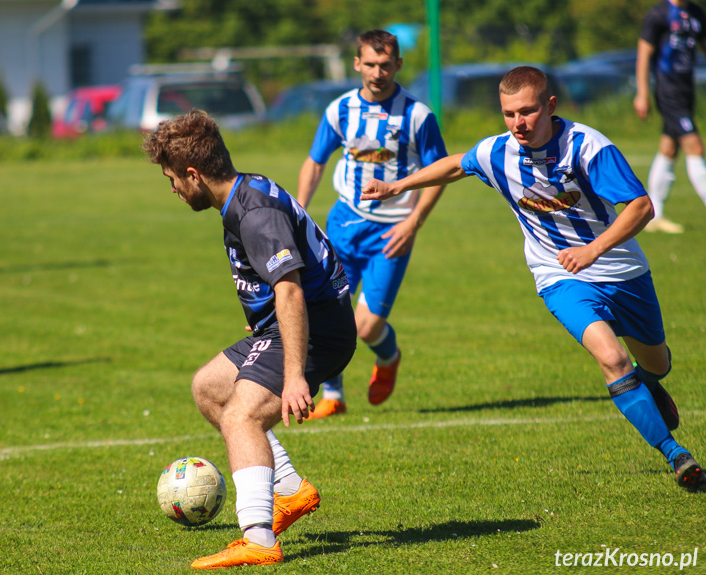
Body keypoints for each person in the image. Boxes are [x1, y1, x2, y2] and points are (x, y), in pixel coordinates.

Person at [361, 66, 704, 493]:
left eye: (527, 112)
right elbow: (455, 165)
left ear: (550, 106)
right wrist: (397, 187)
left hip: (622, 271)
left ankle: (650, 384)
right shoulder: (497, 152)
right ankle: (677, 456)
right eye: (508, 114)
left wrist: (593, 250)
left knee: (658, 364)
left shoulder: (587, 146)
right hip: (558, 276)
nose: (518, 123)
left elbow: (640, 207)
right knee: (612, 360)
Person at [143, 110, 356, 568]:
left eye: (173, 179)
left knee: (241, 415)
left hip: (314, 329)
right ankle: (290, 490)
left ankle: (258, 538)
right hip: (288, 322)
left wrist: (295, 375)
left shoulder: (256, 214)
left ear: (194, 174)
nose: (174, 190)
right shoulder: (244, 191)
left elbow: (292, 289)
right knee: (210, 387)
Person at [296, 29, 447, 418]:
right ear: (357, 64)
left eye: (385, 65)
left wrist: (414, 222)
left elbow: (439, 173)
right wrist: (299, 210)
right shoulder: (340, 110)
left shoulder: (417, 115)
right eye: (370, 64)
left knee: (366, 326)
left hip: (392, 232)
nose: (377, 72)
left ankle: (389, 356)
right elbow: (315, 162)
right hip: (344, 222)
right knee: (326, 310)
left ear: (397, 64)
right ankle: (333, 395)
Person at [634, 0, 706, 234]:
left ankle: (655, 215)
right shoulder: (659, 14)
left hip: (687, 89)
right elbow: (644, 55)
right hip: (668, 90)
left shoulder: (696, 13)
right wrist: (642, 94)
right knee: (694, 146)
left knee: (669, 147)